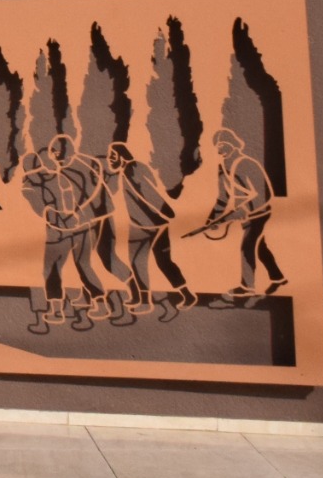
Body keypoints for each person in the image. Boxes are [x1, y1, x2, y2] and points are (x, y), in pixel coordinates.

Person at [19, 132, 123, 331]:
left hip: (60, 231)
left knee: (51, 269)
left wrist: (58, 217)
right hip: (83, 227)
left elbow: (44, 209)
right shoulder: (65, 173)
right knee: (84, 265)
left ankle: (56, 311)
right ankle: (100, 304)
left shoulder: (34, 184)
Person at [104, 140, 195, 321]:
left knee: (158, 261)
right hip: (140, 225)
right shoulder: (122, 174)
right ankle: (143, 297)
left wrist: (162, 218)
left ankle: (176, 296)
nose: (110, 159)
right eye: (109, 156)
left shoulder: (136, 168)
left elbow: (152, 193)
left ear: (122, 156)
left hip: (153, 224)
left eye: (113, 156)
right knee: (138, 261)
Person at [199, 128, 286, 299]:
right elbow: (224, 198)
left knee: (247, 247)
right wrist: (213, 218)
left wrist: (244, 213)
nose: (219, 150)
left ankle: (247, 288)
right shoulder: (226, 167)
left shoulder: (245, 163)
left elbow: (261, 194)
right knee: (259, 247)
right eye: (217, 146)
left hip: (259, 214)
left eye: (222, 145)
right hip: (247, 214)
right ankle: (277, 277)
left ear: (232, 144)